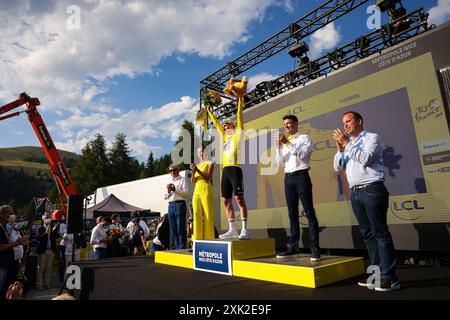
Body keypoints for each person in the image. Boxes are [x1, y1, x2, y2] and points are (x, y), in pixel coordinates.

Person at [333, 111, 399, 292]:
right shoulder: (348, 145)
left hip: (372, 189)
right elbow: (337, 167)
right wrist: (340, 149)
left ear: (359, 121)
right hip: (355, 192)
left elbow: (365, 158)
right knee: (368, 235)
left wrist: (346, 144)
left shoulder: (372, 138)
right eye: (343, 123)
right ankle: (376, 275)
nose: (345, 125)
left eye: (348, 121)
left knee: (380, 233)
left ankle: (390, 278)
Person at [206, 76, 250, 240]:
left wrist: (240, 99)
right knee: (226, 201)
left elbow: (239, 115)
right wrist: (209, 112)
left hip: (235, 169)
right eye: (223, 126)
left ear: (233, 126)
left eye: (227, 125)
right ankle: (232, 229)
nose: (224, 127)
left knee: (239, 198)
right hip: (224, 170)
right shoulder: (224, 138)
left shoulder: (238, 133)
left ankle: (245, 229)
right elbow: (216, 123)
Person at [274, 115, 321, 261]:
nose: (286, 126)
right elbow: (280, 163)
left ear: (296, 124)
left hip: (301, 176)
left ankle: (315, 249)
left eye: (289, 123)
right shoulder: (284, 143)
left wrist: (287, 142)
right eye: (284, 124)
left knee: (309, 212)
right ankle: (293, 247)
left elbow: (302, 155)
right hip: (288, 178)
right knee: (292, 214)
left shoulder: (305, 138)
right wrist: (278, 147)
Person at [0, 205, 29, 300]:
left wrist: (20, 243)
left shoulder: (4, 227)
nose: (13, 215)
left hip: (8, 263)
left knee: (6, 289)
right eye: (10, 213)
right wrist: (17, 242)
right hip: (2, 264)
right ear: (2, 215)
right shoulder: (4, 227)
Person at [190, 145, 215, 241]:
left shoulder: (210, 163)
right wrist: (193, 172)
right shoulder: (197, 165)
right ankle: (197, 240)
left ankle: (209, 240)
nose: (201, 154)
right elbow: (193, 180)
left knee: (208, 215)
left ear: (206, 152)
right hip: (197, 190)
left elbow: (208, 178)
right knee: (196, 214)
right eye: (199, 152)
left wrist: (197, 170)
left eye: (202, 152)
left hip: (206, 189)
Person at [164, 164, 189, 249]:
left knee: (180, 229)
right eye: (170, 171)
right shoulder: (168, 181)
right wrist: (168, 190)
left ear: (178, 170)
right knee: (173, 229)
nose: (172, 172)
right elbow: (164, 197)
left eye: (174, 170)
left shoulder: (183, 180)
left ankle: (182, 248)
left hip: (180, 204)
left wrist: (175, 189)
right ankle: (177, 247)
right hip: (170, 205)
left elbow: (186, 194)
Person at [36, 214, 59, 290]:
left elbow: (56, 236)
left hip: (51, 250)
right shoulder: (40, 228)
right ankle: (40, 285)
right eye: (46, 218)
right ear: (43, 219)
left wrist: (55, 229)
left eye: (49, 218)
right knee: (41, 268)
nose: (48, 219)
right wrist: (46, 232)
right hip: (43, 251)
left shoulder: (52, 228)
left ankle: (47, 284)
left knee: (49, 268)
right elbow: (39, 238)